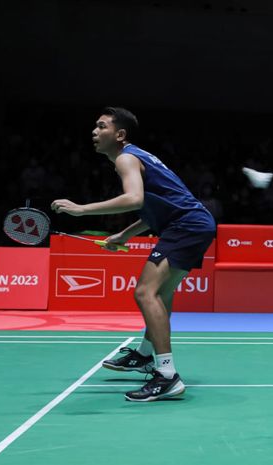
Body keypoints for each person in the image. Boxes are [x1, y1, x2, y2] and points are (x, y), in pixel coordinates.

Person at [51, 107, 216, 402]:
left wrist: (81, 209)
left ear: (120, 134)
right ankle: (144, 355)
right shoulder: (138, 157)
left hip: (186, 225)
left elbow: (134, 199)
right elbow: (157, 206)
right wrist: (124, 235)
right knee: (161, 295)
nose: (94, 131)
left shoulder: (127, 158)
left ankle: (166, 376)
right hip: (192, 222)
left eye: (101, 126)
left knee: (144, 292)